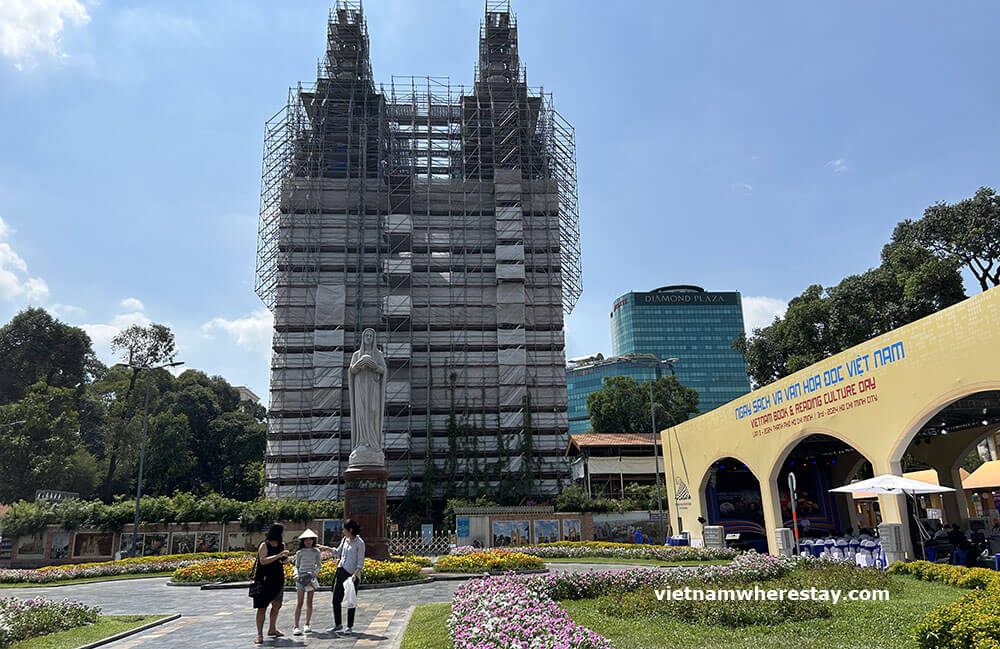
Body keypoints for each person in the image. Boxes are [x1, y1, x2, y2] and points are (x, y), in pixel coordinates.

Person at [253, 523, 290, 644]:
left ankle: (272, 629)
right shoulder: (264, 545)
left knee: (277, 604)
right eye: (282, 532)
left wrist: (285, 560)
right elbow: (263, 561)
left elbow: (282, 560)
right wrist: (278, 555)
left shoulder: (282, 545)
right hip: (264, 579)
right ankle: (259, 634)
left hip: (278, 578)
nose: (283, 534)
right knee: (262, 607)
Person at [292, 529, 333, 636]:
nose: (308, 541)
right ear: (303, 541)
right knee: (299, 602)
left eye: (310, 539)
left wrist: (315, 572)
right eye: (306, 539)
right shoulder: (299, 552)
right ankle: (296, 626)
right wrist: (295, 574)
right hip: (301, 577)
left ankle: (307, 624)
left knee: (309, 602)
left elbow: (319, 565)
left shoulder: (316, 552)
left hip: (310, 578)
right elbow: (296, 566)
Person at [328, 519, 365, 635]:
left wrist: (355, 574)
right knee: (336, 599)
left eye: (344, 529)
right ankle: (338, 624)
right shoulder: (344, 539)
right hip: (341, 571)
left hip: (352, 575)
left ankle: (349, 626)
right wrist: (325, 548)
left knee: (350, 601)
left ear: (351, 530)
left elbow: (360, 562)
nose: (342, 531)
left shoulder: (360, 543)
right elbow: (337, 552)